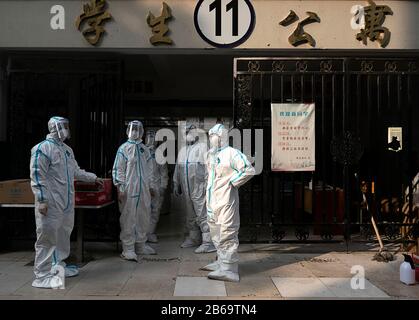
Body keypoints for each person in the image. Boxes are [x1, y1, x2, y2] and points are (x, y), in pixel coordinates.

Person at [30, 116, 103, 289]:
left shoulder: (67, 150)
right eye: (63, 126)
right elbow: (37, 175)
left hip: (66, 202)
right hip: (50, 202)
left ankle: (58, 266)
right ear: (53, 127)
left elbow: (75, 171)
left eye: (66, 125)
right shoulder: (42, 148)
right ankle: (41, 276)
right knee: (46, 237)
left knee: (63, 234)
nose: (66, 129)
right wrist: (42, 199)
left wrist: (93, 178)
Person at [202, 124, 255, 282]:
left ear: (222, 136)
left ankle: (229, 268)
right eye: (210, 135)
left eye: (215, 135)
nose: (212, 138)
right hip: (212, 200)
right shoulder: (210, 154)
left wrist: (232, 182)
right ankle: (221, 261)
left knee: (227, 231)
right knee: (215, 230)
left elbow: (248, 169)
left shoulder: (232, 153)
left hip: (226, 200)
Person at [112, 120, 158, 262]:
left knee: (143, 216)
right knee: (128, 217)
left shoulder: (144, 149)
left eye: (138, 129)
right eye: (133, 128)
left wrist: (151, 186)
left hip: (143, 189)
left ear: (142, 131)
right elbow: (118, 169)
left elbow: (150, 170)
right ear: (128, 130)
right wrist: (120, 187)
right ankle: (128, 249)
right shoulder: (123, 149)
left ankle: (140, 245)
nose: (135, 131)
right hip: (129, 189)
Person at [173, 123, 216, 253]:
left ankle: (208, 242)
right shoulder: (182, 150)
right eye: (186, 132)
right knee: (190, 214)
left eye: (191, 131)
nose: (188, 134)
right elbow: (177, 169)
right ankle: (193, 238)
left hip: (199, 187)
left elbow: (210, 168)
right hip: (187, 188)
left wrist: (209, 185)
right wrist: (176, 183)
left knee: (202, 213)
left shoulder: (203, 148)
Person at [145, 130, 169, 243]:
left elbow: (164, 172)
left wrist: (163, 187)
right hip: (143, 187)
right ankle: (142, 234)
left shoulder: (159, 154)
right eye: (149, 137)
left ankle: (150, 233)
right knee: (143, 211)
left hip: (157, 187)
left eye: (153, 137)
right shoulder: (141, 152)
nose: (151, 140)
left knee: (155, 210)